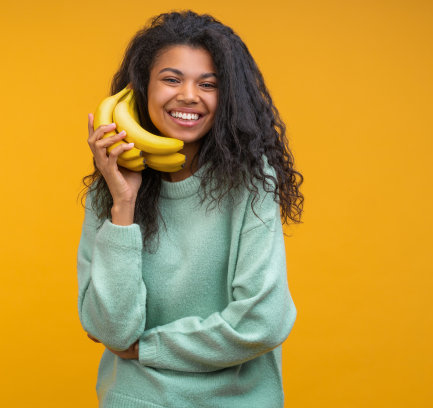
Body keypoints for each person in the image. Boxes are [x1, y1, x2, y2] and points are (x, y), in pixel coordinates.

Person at [77, 10, 304, 408]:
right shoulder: (112, 189)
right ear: (141, 90)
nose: (188, 95)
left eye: (208, 84)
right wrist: (123, 205)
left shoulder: (249, 184)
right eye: (171, 79)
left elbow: (263, 321)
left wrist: (150, 347)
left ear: (228, 97)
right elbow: (112, 332)